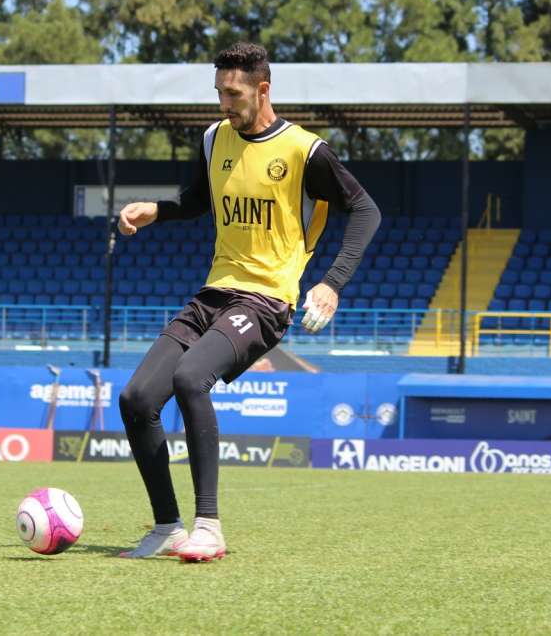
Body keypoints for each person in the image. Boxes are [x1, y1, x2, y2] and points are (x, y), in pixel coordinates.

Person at [116, 42, 380, 562]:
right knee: (137, 398)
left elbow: (365, 209)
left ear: (263, 90)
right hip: (214, 291)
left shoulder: (306, 152)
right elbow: (199, 200)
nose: (223, 104)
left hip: (267, 300)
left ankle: (208, 526)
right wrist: (158, 210)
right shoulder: (215, 138)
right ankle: (168, 526)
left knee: (192, 377)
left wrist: (332, 282)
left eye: (232, 93)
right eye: (218, 92)